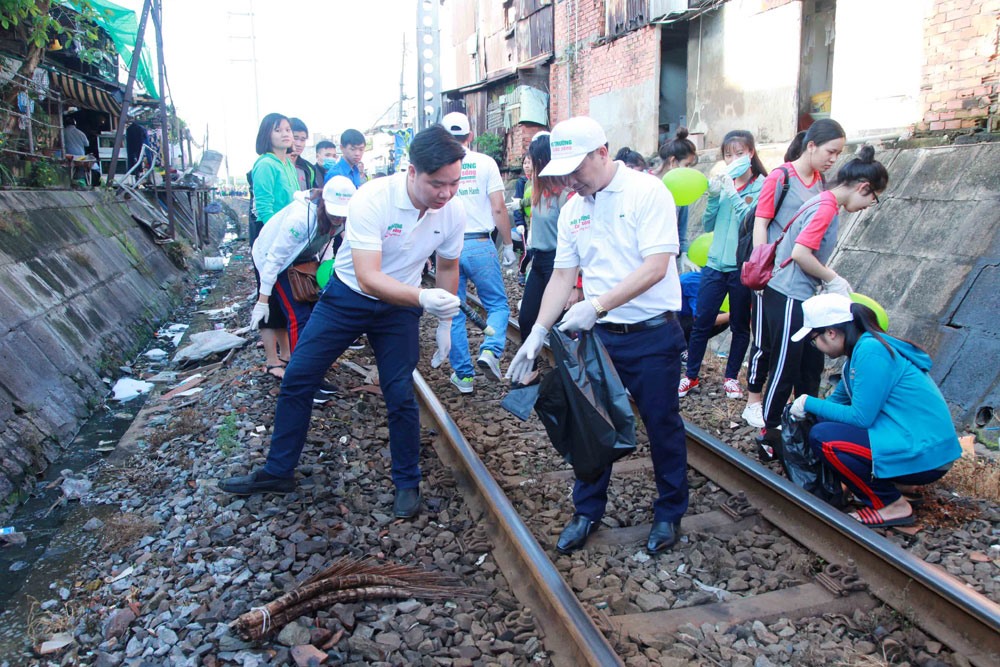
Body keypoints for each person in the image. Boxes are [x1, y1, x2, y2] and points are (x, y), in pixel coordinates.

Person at [219, 125, 466, 520]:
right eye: (438, 184)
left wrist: (446, 315)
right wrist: (424, 297)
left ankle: (407, 481)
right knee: (300, 376)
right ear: (412, 171)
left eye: (454, 184)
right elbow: (369, 277)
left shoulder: (452, 210)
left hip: (399, 308)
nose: (446, 193)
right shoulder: (373, 199)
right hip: (349, 296)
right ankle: (278, 470)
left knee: (399, 391)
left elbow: (449, 265)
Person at [507, 116, 688, 556]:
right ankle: (587, 510)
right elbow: (562, 276)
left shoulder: (648, 192)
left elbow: (655, 266)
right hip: (599, 335)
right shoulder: (573, 209)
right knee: (591, 423)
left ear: (602, 153)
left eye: (576, 169)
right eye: (562, 172)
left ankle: (669, 511)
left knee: (662, 424)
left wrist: (598, 303)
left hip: (649, 334)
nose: (570, 179)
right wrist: (537, 332)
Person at [757, 145, 888, 460]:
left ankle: (801, 427)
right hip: (788, 292)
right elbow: (801, 254)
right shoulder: (826, 206)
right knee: (785, 366)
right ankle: (769, 430)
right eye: (873, 197)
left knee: (809, 366)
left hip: (800, 294)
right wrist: (833, 279)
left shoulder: (824, 201)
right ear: (863, 187)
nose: (870, 205)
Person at [788, 294, 961, 527]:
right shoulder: (857, 355)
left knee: (824, 438)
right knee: (820, 421)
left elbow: (861, 417)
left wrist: (807, 402)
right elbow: (835, 404)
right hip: (915, 440)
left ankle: (892, 505)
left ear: (831, 332)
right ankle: (894, 483)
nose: (815, 346)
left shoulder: (871, 351)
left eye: (813, 339)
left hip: (926, 454)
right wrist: (805, 409)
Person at [743, 118, 847, 431]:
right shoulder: (781, 176)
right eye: (830, 151)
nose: (833, 158)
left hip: (799, 277)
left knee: (794, 351)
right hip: (772, 274)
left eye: (838, 153)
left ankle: (791, 414)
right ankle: (753, 402)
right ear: (811, 146)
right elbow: (762, 222)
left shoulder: (821, 182)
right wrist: (760, 268)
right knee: (765, 342)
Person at [679, 130, 766, 400]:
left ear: (751, 153)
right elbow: (708, 225)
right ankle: (690, 376)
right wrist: (715, 197)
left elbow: (751, 224)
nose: (733, 159)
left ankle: (730, 378)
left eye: (739, 153)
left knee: (741, 325)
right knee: (701, 322)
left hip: (741, 267)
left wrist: (733, 193)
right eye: (728, 155)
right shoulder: (723, 183)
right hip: (715, 265)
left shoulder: (762, 185)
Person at [439, 111, 516, 392]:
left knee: (455, 311)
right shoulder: (485, 163)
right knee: (497, 304)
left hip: (448, 247)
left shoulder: (438, 164)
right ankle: (491, 351)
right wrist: (508, 245)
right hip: (481, 244)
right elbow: (498, 207)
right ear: (470, 136)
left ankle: (465, 376)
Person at [250, 176, 357, 351]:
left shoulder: (344, 219)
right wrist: (263, 300)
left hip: (305, 256)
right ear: (324, 202)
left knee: (316, 311)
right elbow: (275, 257)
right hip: (276, 258)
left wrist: (325, 267)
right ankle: (298, 366)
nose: (338, 218)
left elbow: (326, 242)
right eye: (334, 212)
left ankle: (311, 357)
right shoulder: (301, 219)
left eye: (342, 213)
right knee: (298, 315)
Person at [514, 132, 568, 387]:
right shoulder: (537, 188)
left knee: (558, 324)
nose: (528, 164)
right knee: (527, 318)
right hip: (539, 260)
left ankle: (570, 378)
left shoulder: (564, 193)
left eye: (533, 159)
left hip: (559, 262)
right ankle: (530, 370)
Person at [250, 113, 297, 379]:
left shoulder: (287, 163)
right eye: (278, 130)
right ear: (267, 134)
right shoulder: (265, 165)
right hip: (270, 238)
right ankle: (271, 359)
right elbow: (264, 207)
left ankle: (287, 352)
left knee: (283, 298)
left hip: (286, 237)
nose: (285, 134)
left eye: (288, 130)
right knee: (267, 297)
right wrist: (276, 237)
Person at [654, 129, 699, 270]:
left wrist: (684, 254)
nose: (688, 171)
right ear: (673, 161)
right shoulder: (646, 184)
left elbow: (681, 228)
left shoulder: (681, 191)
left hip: (668, 261)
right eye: (686, 165)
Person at [289, 118, 320, 190]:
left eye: (303, 140)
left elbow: (312, 195)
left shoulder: (309, 168)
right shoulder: (275, 165)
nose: (299, 144)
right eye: (295, 138)